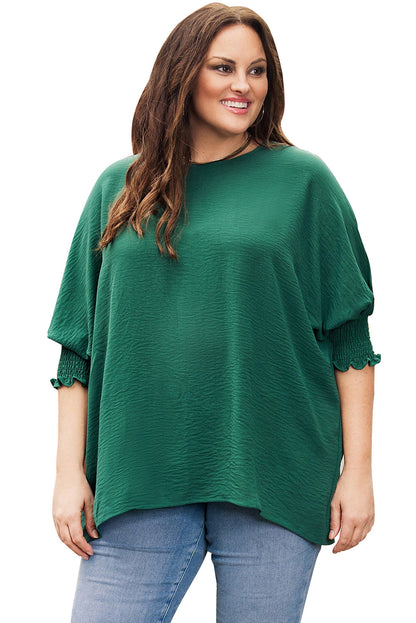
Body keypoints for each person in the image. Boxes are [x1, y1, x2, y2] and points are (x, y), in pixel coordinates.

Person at [47, 3, 381, 622]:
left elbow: (349, 339)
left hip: (273, 469)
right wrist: (70, 474)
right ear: (182, 74)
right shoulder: (118, 188)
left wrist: (356, 473)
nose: (243, 86)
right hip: (138, 470)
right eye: (223, 67)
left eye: (257, 70)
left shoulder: (304, 181)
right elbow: (77, 347)